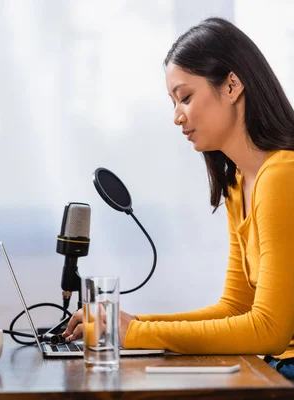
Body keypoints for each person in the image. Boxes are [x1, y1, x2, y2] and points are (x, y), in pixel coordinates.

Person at [63, 17, 294, 379]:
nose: (176, 117)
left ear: (232, 84)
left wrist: (134, 333)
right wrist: (132, 322)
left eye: (185, 97)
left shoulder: (283, 176)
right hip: (277, 367)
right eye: (173, 101)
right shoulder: (238, 183)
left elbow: (269, 329)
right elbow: (235, 308)